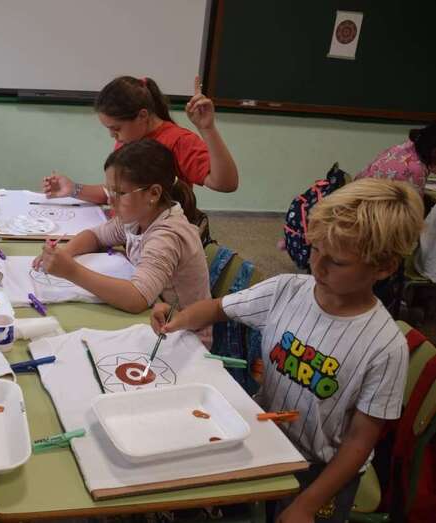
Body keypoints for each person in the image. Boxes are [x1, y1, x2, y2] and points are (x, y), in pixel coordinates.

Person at [151, 178, 424, 523]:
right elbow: (217, 307)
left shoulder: (384, 346)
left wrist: (308, 504)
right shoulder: (286, 290)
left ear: (384, 267)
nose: (317, 267)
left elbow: (360, 440)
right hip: (265, 439)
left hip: (322, 472)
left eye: (337, 262)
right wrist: (176, 319)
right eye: (315, 249)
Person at [35, 139, 211, 344]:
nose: (110, 200)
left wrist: (70, 270)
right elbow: (96, 235)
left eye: (120, 193)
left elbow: (136, 299)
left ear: (153, 193)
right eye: (110, 191)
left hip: (184, 337)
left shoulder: (167, 236)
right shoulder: (140, 215)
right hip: (157, 317)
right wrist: (66, 253)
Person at [41, 75, 238, 206]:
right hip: (129, 231)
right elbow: (118, 192)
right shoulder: (128, 139)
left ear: (143, 116)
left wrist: (207, 128)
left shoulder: (178, 141)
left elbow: (226, 183)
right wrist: (73, 188)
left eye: (116, 128)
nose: (113, 136)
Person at [355, 121, 436, 195]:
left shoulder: (410, 145)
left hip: (356, 191)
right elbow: (414, 207)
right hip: (369, 205)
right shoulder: (416, 169)